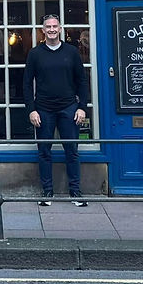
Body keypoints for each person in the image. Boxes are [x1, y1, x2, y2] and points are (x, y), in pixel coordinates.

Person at [23, 14, 89, 206]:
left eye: (54, 26)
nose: (51, 29)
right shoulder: (35, 54)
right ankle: (47, 192)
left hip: (69, 108)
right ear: (43, 30)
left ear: (60, 29)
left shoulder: (72, 52)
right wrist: (31, 110)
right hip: (43, 109)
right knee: (44, 151)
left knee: (72, 151)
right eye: (48, 27)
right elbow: (26, 83)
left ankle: (75, 193)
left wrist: (82, 107)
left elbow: (82, 81)